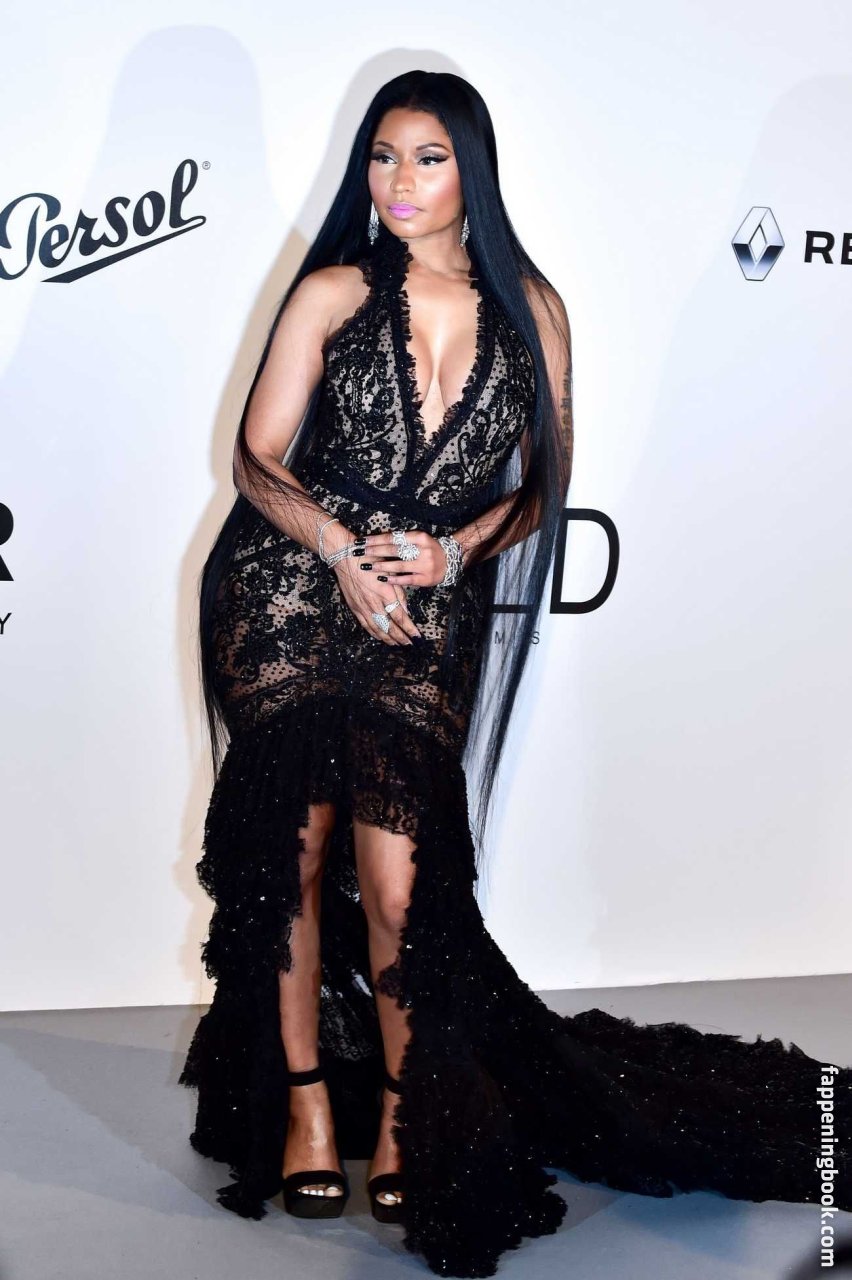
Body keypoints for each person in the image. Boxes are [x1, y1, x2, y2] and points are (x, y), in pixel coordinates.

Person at [179, 70, 851, 1278]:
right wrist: (339, 551)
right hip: (286, 594)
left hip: (424, 606)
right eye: (383, 157)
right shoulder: (333, 290)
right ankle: (305, 1107)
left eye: (427, 158)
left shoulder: (534, 309)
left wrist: (452, 551)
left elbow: (543, 484)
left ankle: (407, 1111)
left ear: (471, 171)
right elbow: (255, 458)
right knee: (289, 857)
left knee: (403, 888)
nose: (399, 183)